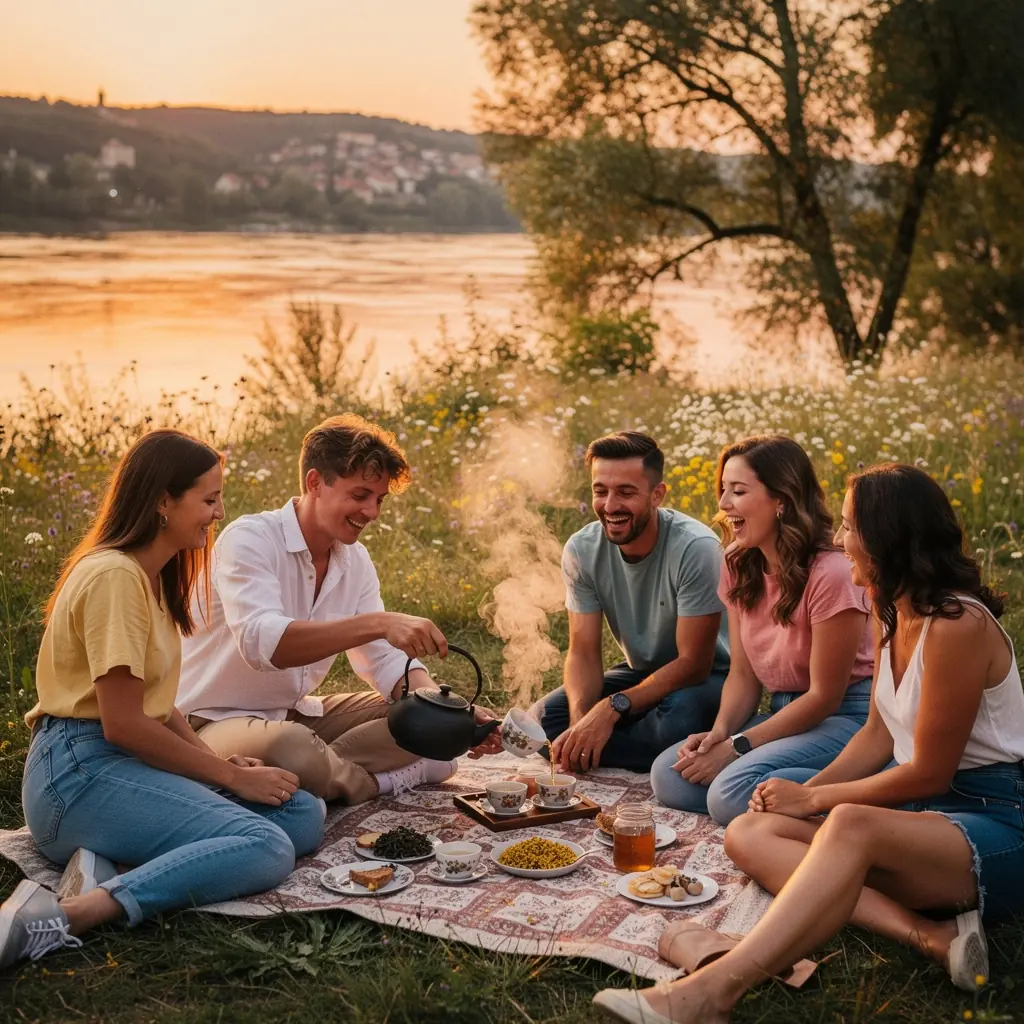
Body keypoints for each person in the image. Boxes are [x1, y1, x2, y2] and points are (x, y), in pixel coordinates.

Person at [592, 464, 1024, 1023]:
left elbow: (929, 773)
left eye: (850, 529)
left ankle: (710, 996)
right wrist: (804, 791)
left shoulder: (956, 625)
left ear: (887, 537)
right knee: (750, 830)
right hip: (920, 818)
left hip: (991, 819)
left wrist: (818, 800)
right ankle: (932, 935)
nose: (841, 541)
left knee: (847, 822)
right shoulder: (893, 613)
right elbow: (877, 735)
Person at [0, 430, 325, 970]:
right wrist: (229, 778)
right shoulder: (113, 578)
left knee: (300, 816)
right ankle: (72, 914)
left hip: (118, 762)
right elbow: (123, 725)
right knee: (266, 847)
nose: (218, 513)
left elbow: (159, 706)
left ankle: (106, 858)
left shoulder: (150, 579)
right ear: (162, 501)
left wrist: (215, 762)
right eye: (209, 499)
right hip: (75, 775)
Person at [176, 413, 501, 804]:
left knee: (421, 724)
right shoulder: (249, 539)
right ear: (315, 482)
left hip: (294, 713)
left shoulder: (354, 560)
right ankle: (377, 781)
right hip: (213, 720)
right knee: (294, 748)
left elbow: (383, 661)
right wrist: (377, 623)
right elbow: (265, 645)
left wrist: (447, 713)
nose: (372, 512)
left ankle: (312, 777)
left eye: (378, 500)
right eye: (360, 495)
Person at [649, 435, 874, 824]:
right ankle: (781, 793)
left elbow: (823, 697)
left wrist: (739, 747)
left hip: (848, 716)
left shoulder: (831, 573)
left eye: (738, 491)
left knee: (728, 794)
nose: (723, 504)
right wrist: (720, 735)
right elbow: (742, 674)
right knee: (670, 777)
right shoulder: (738, 563)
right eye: (723, 490)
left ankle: (859, 791)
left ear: (781, 499)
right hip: (785, 712)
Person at [531, 431, 730, 774]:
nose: (609, 506)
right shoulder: (582, 549)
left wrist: (610, 709)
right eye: (600, 491)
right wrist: (582, 724)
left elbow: (694, 663)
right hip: (642, 673)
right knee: (546, 720)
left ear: (657, 495)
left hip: (708, 677)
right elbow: (583, 652)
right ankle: (636, 750)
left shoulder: (696, 547)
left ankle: (647, 744)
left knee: (680, 716)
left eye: (625, 492)